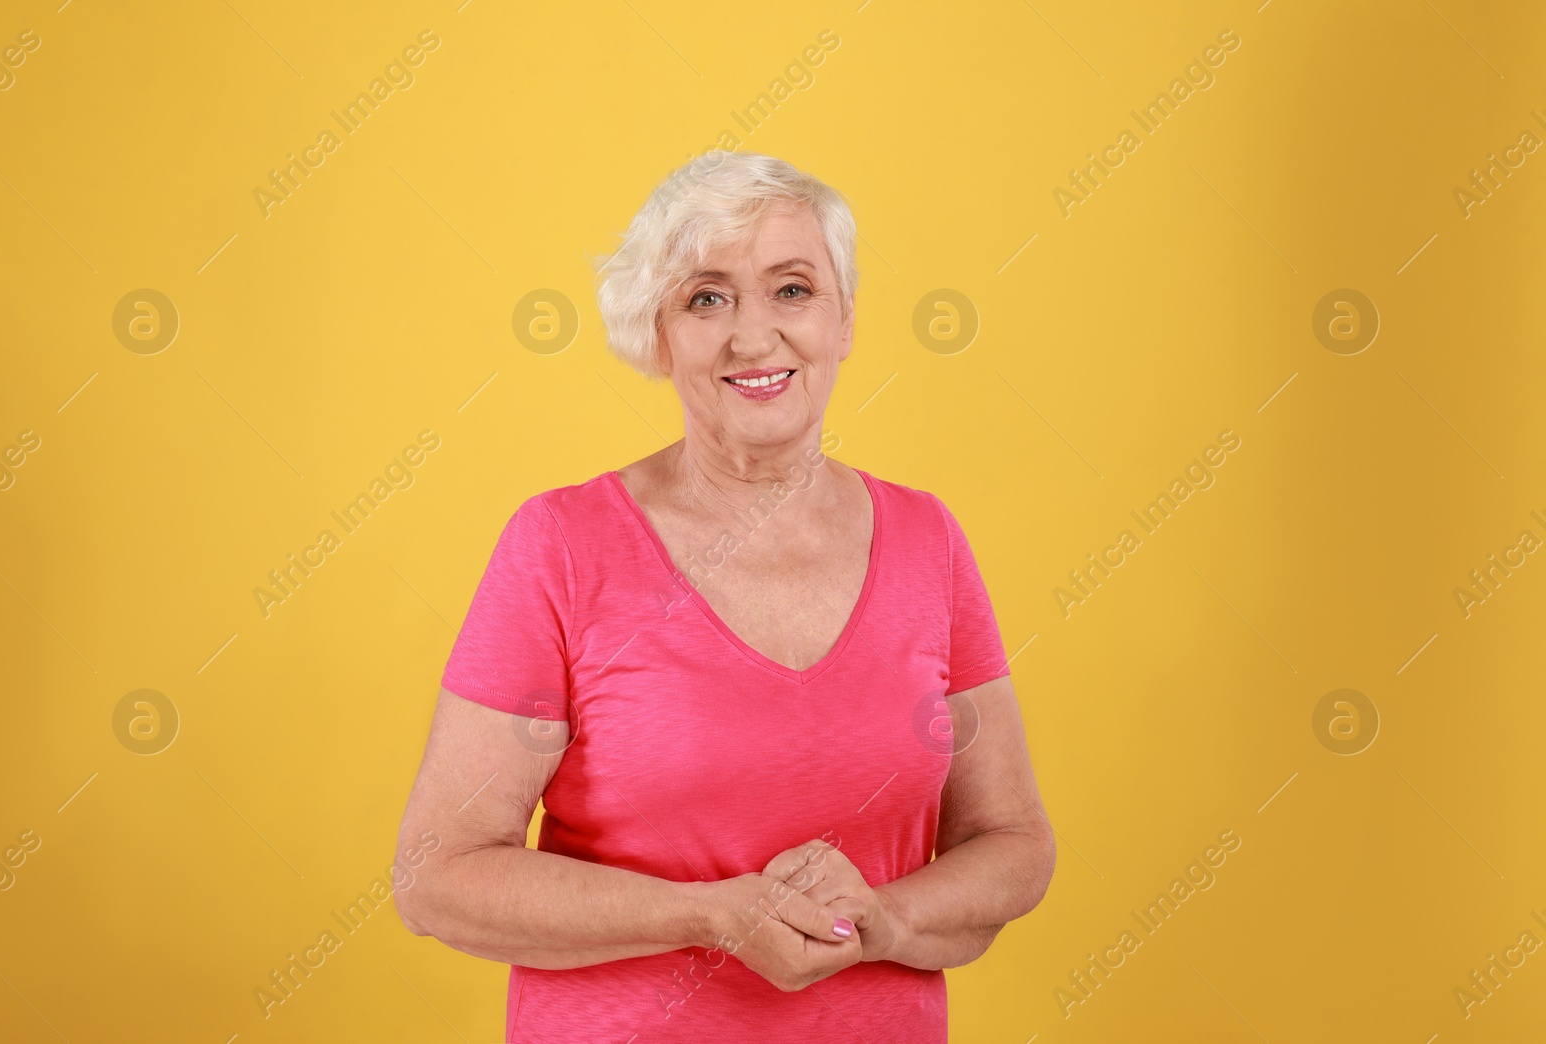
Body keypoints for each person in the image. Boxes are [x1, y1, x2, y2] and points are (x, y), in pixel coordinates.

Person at [393, 150, 1055, 1042]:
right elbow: (437, 877)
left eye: (793, 290)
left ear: (845, 319)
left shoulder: (927, 541)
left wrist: (882, 925)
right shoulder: (563, 546)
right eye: (707, 298)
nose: (754, 337)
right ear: (656, 334)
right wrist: (707, 916)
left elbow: (1013, 844)